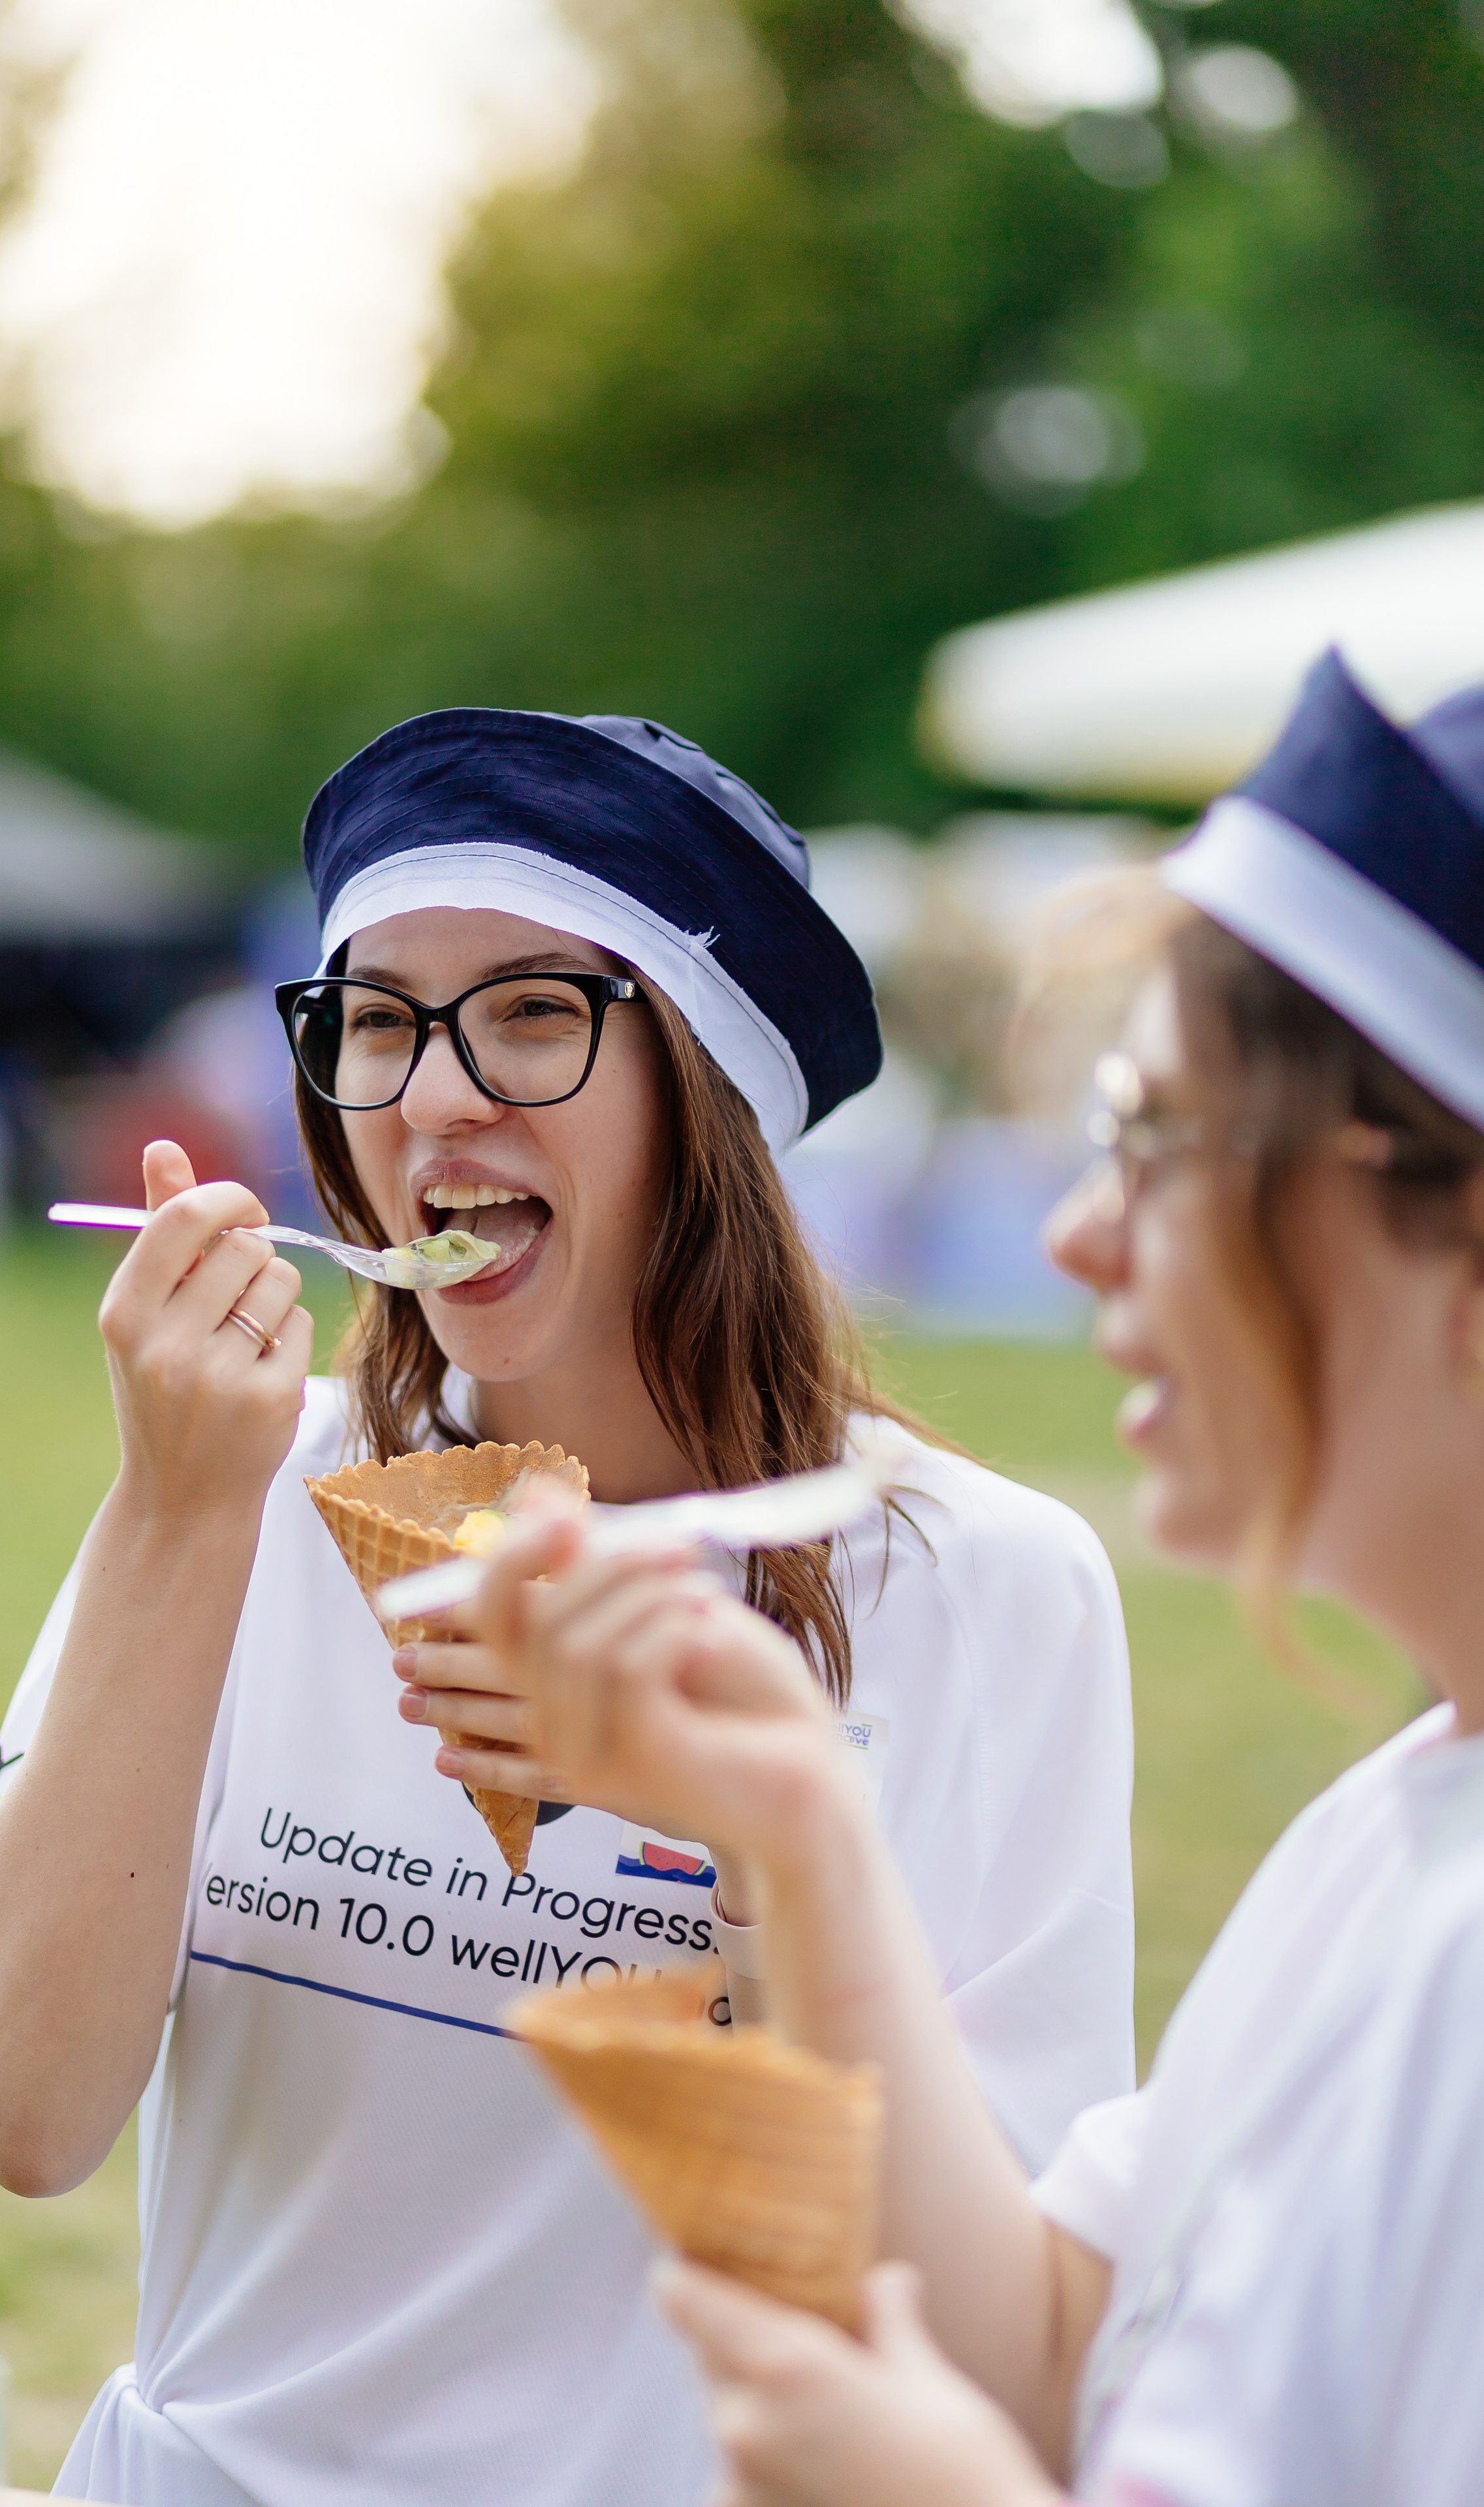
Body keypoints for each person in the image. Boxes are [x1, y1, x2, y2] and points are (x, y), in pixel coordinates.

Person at [0, 708, 1133, 2507]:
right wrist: (176, 1520)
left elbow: (978, 2345)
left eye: (531, 1012)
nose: (432, 1094)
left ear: (710, 1095)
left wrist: (751, 1846)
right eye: (378, 1020)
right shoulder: (232, 1476)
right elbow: (21, 2119)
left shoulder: (985, 1589)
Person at [461, 653, 1484, 2507]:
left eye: (1164, 1141)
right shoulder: (1387, 1835)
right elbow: (1059, 2343)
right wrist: (799, 1836)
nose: (1079, 1235)